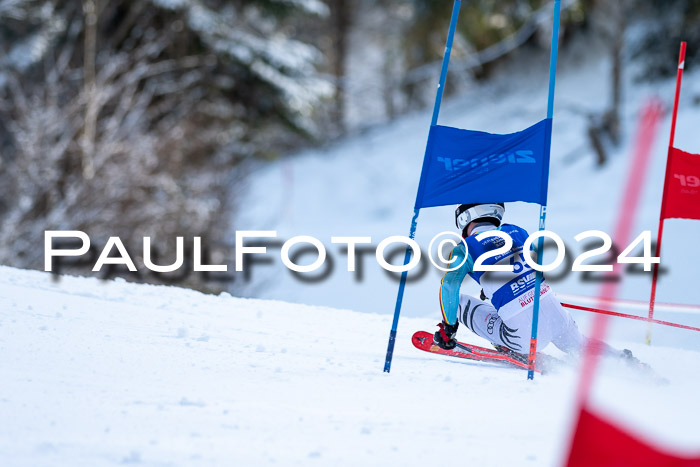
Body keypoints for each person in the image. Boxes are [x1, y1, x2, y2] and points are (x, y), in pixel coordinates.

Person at [434, 202, 631, 364]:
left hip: (523, 336)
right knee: (580, 344)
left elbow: (449, 287)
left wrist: (448, 329)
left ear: (466, 219)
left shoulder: (464, 248)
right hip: (556, 317)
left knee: (458, 303)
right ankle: (623, 360)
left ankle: (510, 347)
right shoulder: (518, 231)